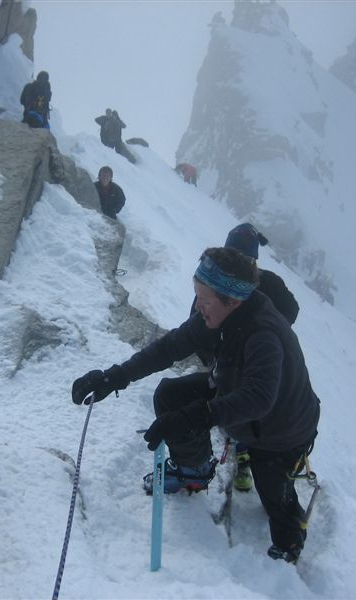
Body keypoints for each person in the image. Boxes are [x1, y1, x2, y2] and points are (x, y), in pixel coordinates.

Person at [71, 246, 320, 563]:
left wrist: (196, 417)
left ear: (232, 300)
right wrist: (113, 377)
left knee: (272, 487)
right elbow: (169, 347)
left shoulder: (263, 334)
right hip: (236, 394)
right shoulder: (216, 316)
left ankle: (290, 541)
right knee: (170, 395)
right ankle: (194, 471)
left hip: (282, 428)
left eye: (204, 300)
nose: (198, 307)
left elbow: (259, 398)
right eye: (197, 296)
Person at [218, 223, 300, 492]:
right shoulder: (267, 282)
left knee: (249, 402)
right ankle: (248, 456)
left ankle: (248, 455)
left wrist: (267, 332)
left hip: (253, 356)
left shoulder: (265, 284)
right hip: (240, 359)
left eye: (243, 259)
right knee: (250, 403)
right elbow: (292, 309)